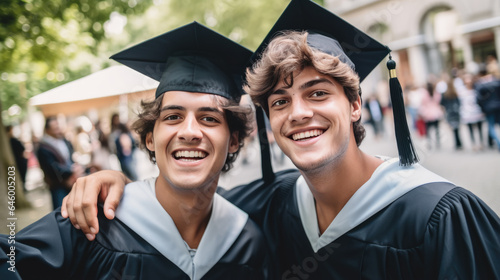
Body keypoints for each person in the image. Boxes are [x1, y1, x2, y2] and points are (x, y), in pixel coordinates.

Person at [61, 0, 500, 278]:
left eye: (318, 93)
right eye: (280, 101)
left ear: (354, 105)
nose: (299, 112)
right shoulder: (275, 203)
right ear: (268, 120)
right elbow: (189, 199)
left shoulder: (440, 215)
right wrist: (111, 181)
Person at [0, 22, 269, 280]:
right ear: (150, 139)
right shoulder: (90, 221)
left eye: (209, 118)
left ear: (234, 141)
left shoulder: (247, 242)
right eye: (173, 116)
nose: (189, 131)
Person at [36, 116, 86, 209]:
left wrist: (75, 169)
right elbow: (51, 167)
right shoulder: (43, 147)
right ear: (48, 130)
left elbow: (71, 157)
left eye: (58, 127)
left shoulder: (64, 140)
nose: (58, 130)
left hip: (71, 180)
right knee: (61, 210)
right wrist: (71, 170)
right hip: (58, 184)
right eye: (55, 128)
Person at [475, 63, 500, 151]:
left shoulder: (479, 84)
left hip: (488, 108)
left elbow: (478, 99)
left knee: (491, 126)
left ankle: (499, 143)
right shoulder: (496, 80)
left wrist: (483, 109)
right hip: (498, 106)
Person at [457, 73, 485, 150]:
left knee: (480, 128)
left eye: (469, 78)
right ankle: (474, 144)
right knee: (470, 129)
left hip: (477, 111)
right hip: (467, 112)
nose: (468, 80)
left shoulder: (477, 88)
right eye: (466, 79)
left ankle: (481, 143)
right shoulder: (461, 90)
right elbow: (460, 102)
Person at [418, 80, 444, 149]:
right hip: (436, 113)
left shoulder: (424, 94)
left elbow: (422, 103)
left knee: (428, 130)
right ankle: (438, 143)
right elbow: (438, 101)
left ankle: (429, 143)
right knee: (437, 129)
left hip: (427, 114)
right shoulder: (436, 93)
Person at [440, 79, 463, 150]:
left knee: (453, 128)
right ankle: (459, 143)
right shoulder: (455, 92)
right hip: (456, 112)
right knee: (457, 128)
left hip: (449, 112)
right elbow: (459, 102)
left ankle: (457, 143)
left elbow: (442, 103)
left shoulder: (444, 94)